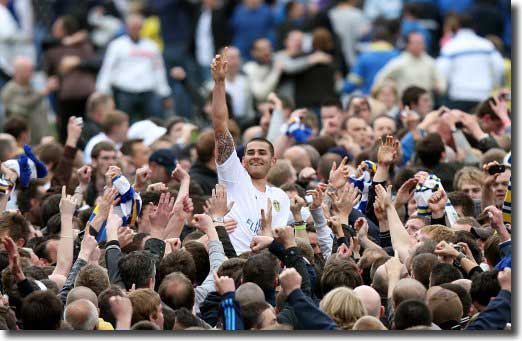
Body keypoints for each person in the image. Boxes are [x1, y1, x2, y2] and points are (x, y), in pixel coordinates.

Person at [209, 50, 290, 254]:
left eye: (262, 153)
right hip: (233, 265)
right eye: (251, 152)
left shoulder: (280, 197)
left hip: (266, 269)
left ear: (273, 161)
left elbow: (280, 243)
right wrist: (220, 83)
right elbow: (220, 127)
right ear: (242, 160)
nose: (256, 156)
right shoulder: (234, 178)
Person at [96, 14, 172, 121]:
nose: (135, 29)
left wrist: (164, 93)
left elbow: (159, 70)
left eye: (138, 26)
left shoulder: (151, 46)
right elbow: (108, 68)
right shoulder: (117, 45)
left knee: (152, 123)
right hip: (125, 92)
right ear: (126, 27)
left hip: (147, 91)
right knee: (124, 123)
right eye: (132, 26)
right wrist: (103, 89)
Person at [437, 14, 504, 112]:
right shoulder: (486, 45)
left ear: (457, 26)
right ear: (475, 27)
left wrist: (445, 89)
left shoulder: (450, 46)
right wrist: (495, 84)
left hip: (458, 94)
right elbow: (499, 67)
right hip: (483, 94)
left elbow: (441, 70)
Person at [0, 56, 56, 144]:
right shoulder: (9, 90)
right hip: (24, 143)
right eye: (28, 70)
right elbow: (23, 107)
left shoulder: (32, 88)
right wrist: (44, 91)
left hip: (42, 140)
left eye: (31, 70)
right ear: (18, 72)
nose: (31, 73)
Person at [374, 31, 446, 96]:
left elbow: (441, 82)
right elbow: (380, 78)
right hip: (405, 104)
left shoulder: (430, 62)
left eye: (421, 42)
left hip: (426, 104)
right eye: (416, 43)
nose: (419, 45)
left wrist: (439, 88)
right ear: (408, 45)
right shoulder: (399, 62)